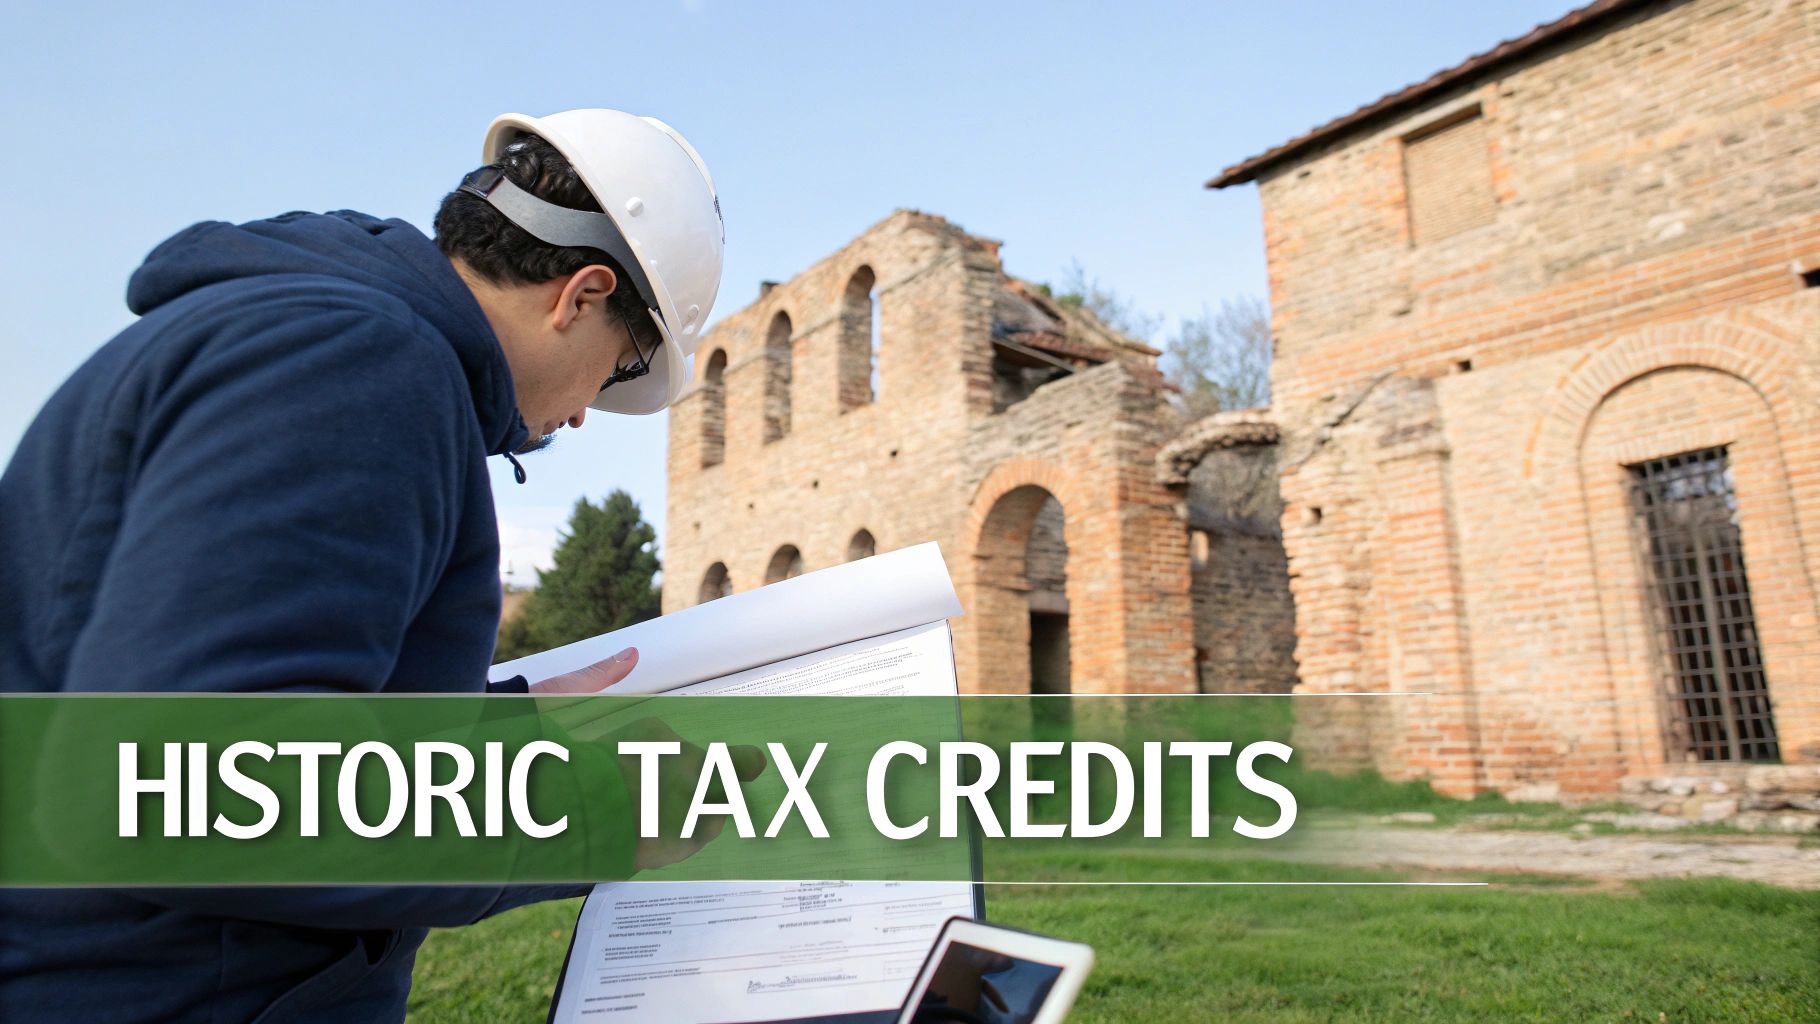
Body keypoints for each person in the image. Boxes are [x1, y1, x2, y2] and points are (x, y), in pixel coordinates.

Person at [0, 108, 741, 1022]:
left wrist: (507, 722)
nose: (589, 411)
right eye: (624, 368)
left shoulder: (303, 334)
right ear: (580, 294)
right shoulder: (362, 364)